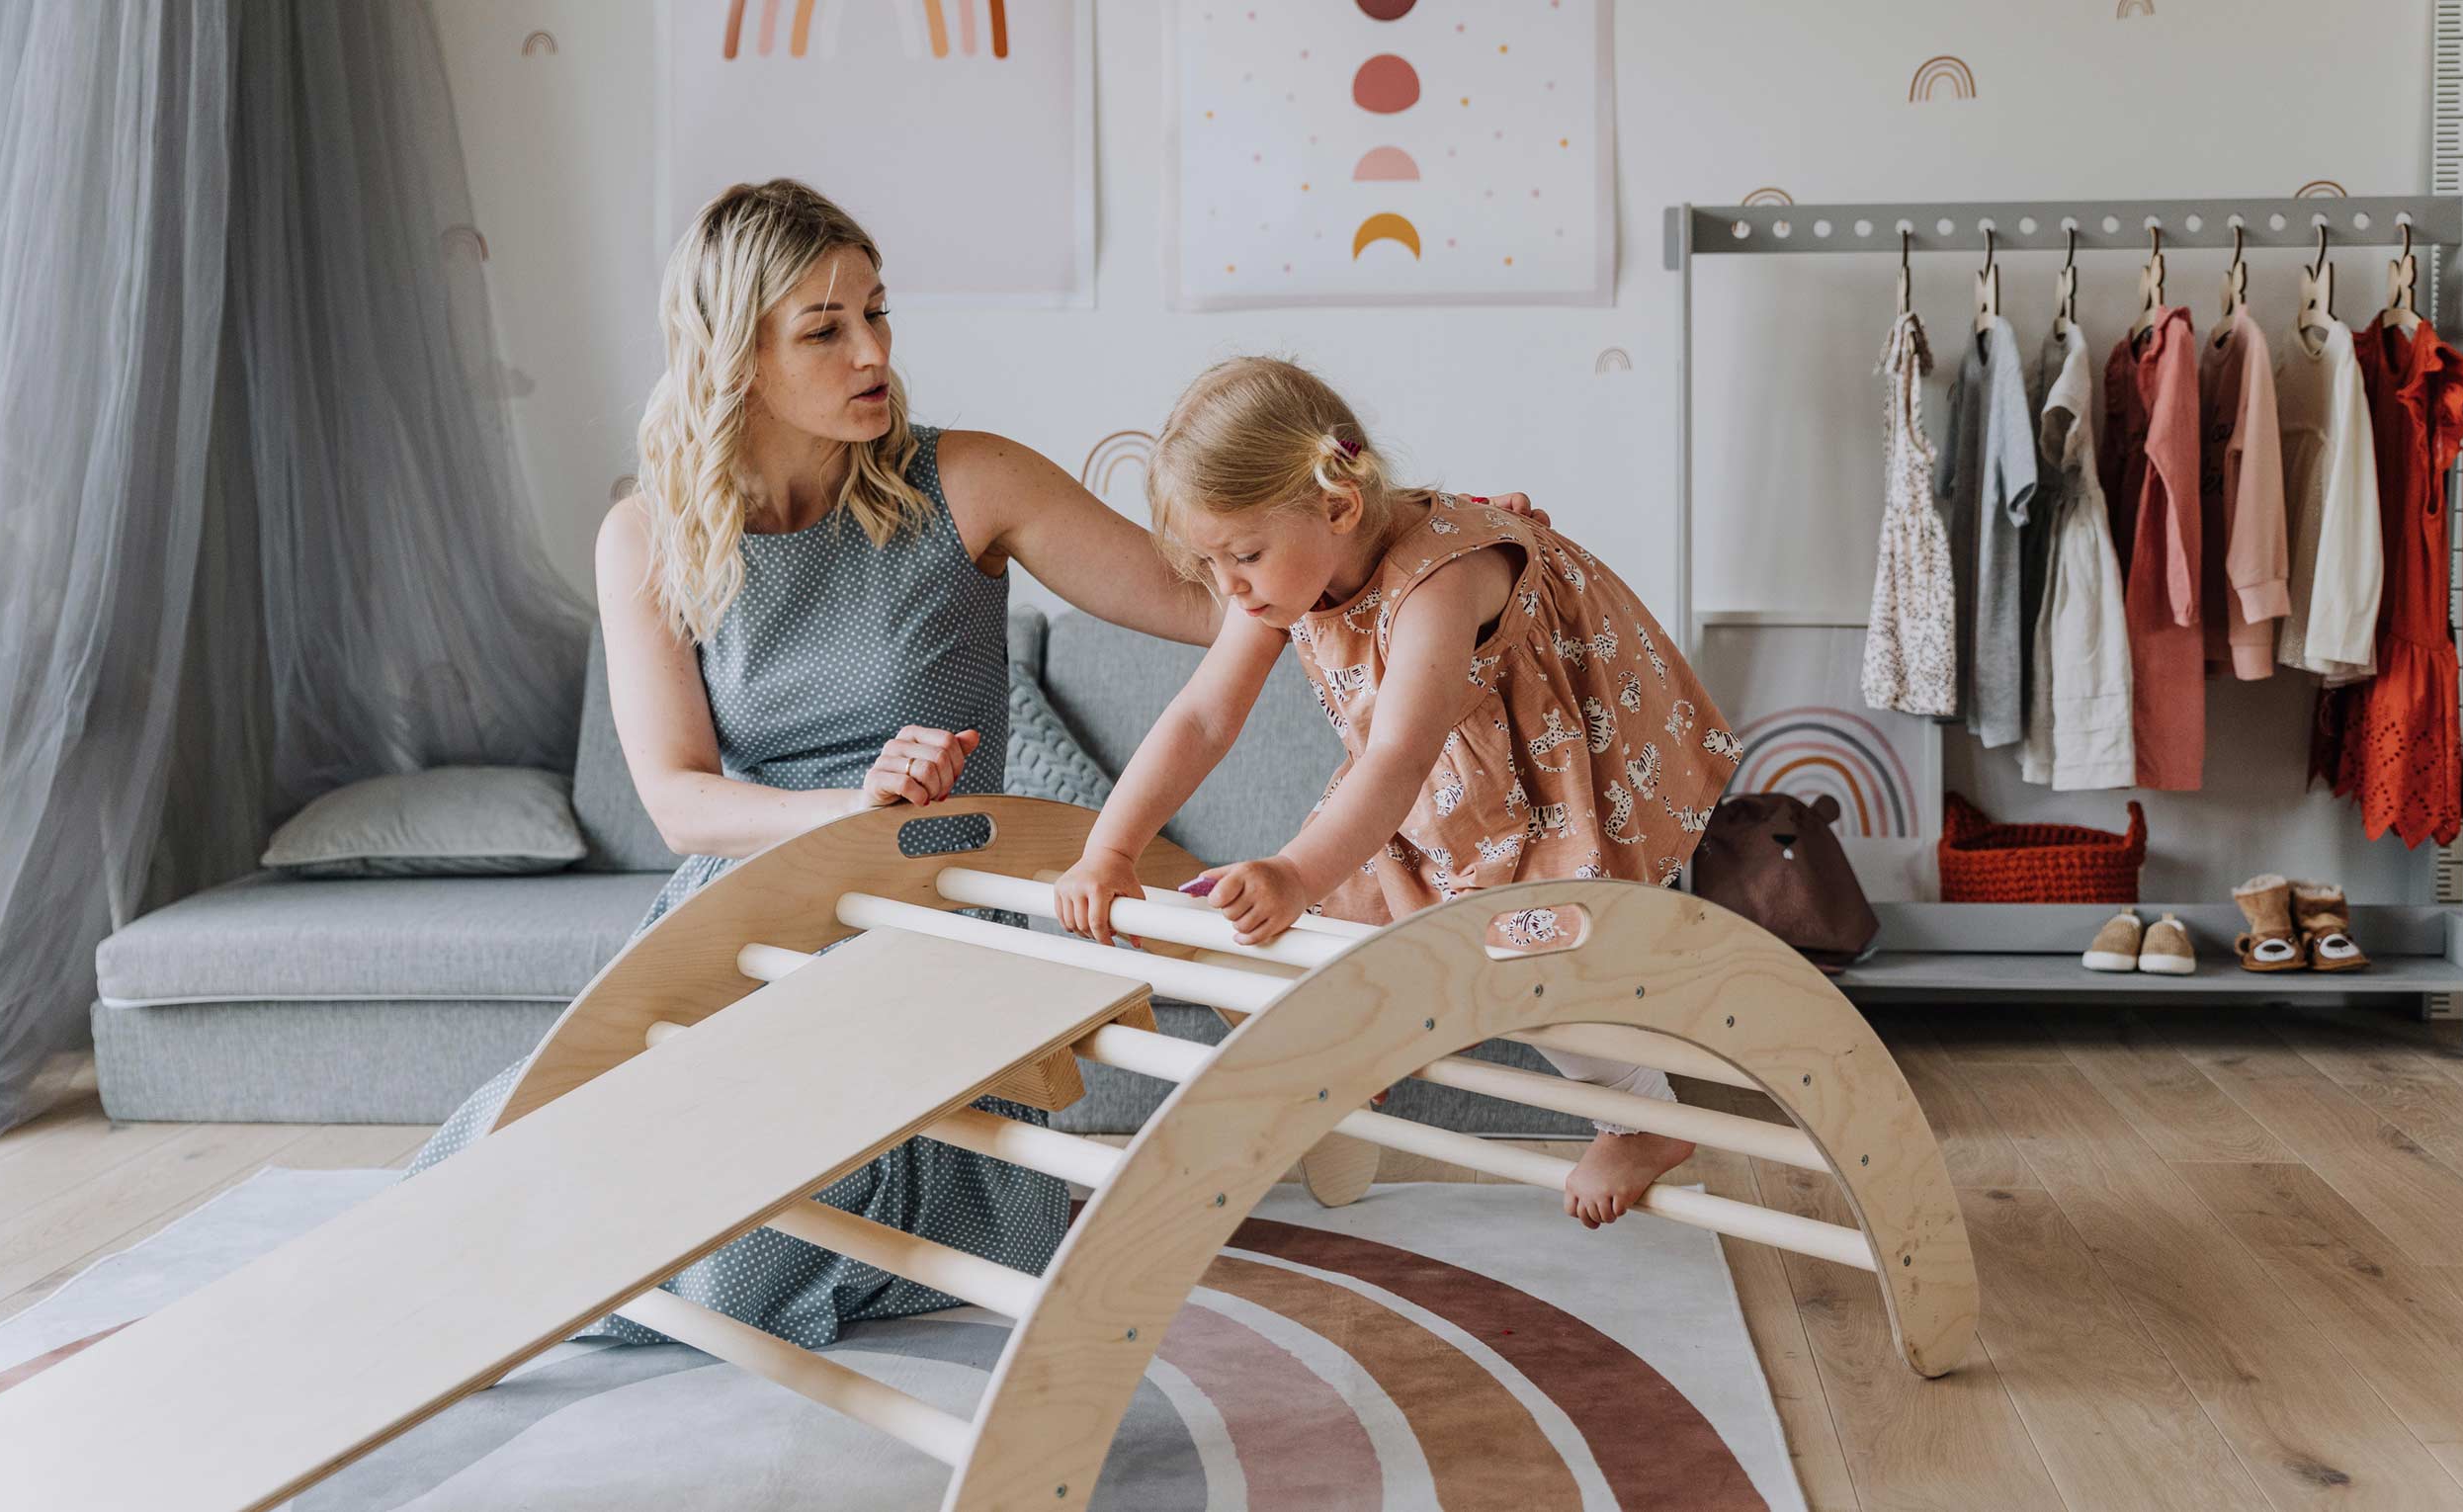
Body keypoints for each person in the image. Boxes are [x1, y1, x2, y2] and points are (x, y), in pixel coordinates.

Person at [410, 184, 1539, 1344]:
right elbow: (680, 802)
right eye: (825, 328)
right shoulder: (647, 536)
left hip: (942, 913)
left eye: (878, 313)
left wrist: (1413, 534)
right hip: (757, 909)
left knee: (732, 1264)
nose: (874, 353)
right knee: (517, 1185)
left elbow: (1229, 599)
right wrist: (849, 806)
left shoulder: (970, 481)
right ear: (731, 352)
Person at [1057, 356, 1743, 1228]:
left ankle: (1642, 1118)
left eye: (1243, 557)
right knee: (1314, 940)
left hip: (1541, 773)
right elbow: (1201, 716)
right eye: (1209, 562)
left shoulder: (1442, 578)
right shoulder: (1282, 576)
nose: (1227, 588)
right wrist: (1108, 850)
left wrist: (1295, 872)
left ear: (1338, 507)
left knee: (1538, 957)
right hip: (1442, 782)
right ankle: (1358, 1063)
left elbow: (1395, 760)